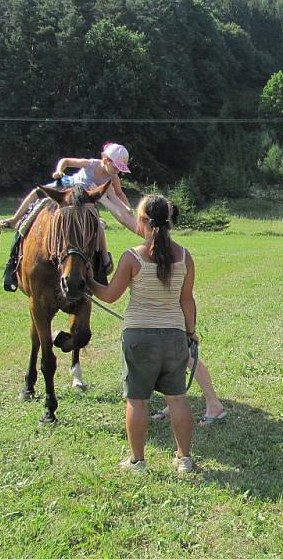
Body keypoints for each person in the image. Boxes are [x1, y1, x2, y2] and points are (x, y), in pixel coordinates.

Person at [87, 194, 197, 473]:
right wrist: (191, 331)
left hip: (139, 337)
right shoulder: (185, 257)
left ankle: (138, 461)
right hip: (174, 336)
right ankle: (183, 459)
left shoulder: (132, 257)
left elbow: (110, 296)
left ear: (143, 222)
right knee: (177, 399)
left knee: (137, 400)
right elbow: (187, 300)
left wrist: (88, 281)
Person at [3, 142, 137, 273]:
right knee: (36, 193)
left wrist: (126, 207)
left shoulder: (113, 177)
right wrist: (59, 171)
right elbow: (65, 161)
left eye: (120, 168)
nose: (118, 171)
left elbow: (119, 193)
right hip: (68, 187)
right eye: (116, 167)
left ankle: (104, 258)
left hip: (87, 202)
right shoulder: (91, 164)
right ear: (105, 160)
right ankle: (15, 220)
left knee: (99, 225)